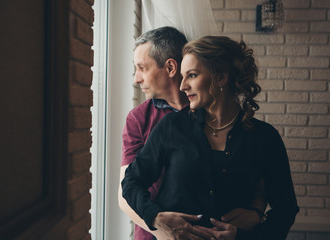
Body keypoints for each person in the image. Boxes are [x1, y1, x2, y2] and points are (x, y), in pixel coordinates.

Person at [121, 35, 299, 240]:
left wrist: (244, 235)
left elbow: (286, 208)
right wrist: (155, 218)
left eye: (192, 75)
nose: (182, 86)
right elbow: (132, 182)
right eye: (182, 76)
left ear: (221, 77)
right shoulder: (172, 127)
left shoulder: (265, 138)